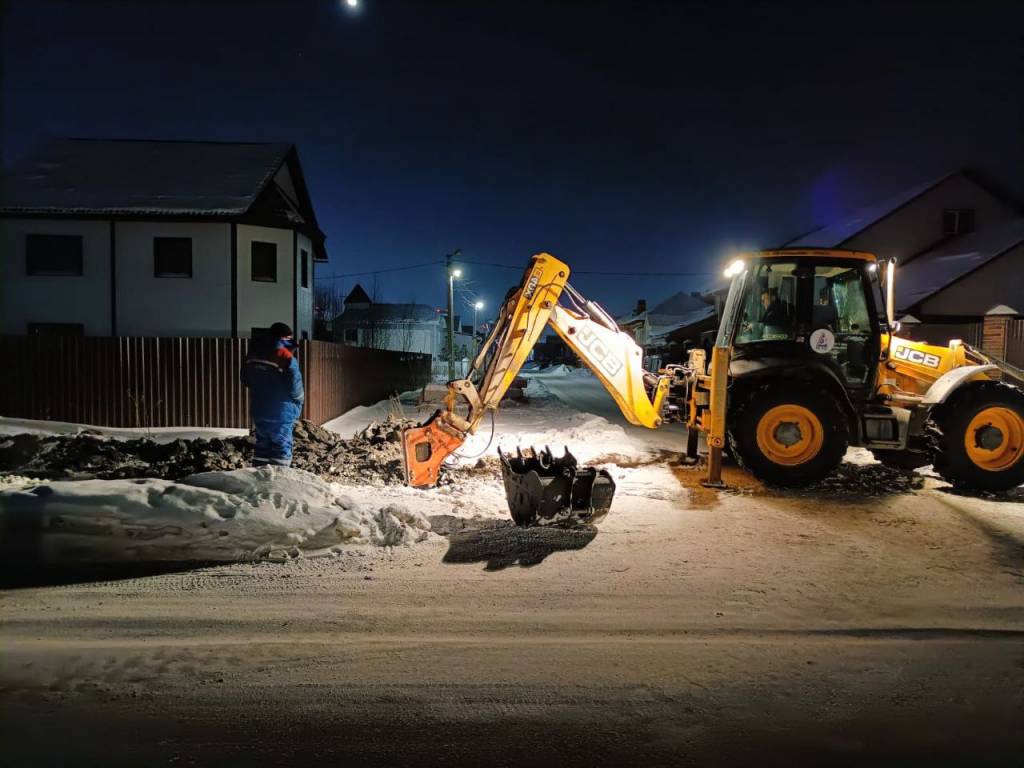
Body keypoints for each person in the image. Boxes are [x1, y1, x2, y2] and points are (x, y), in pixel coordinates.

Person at [241, 322, 304, 467]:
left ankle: (260, 481)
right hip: (281, 412)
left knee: (262, 447)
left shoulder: (252, 354)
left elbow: (245, 379)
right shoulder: (285, 356)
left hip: (259, 410)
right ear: (286, 337)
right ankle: (278, 484)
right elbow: (295, 386)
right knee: (282, 448)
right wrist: (299, 401)